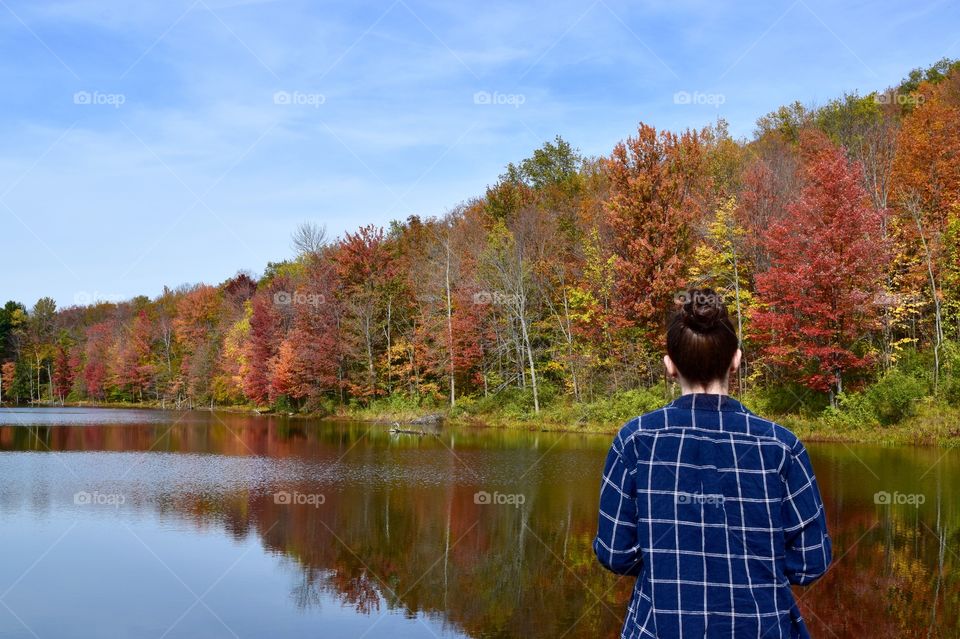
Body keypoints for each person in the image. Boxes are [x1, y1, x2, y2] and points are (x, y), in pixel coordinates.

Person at [593, 289, 831, 638]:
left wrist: (670, 559)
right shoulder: (781, 446)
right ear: (736, 360)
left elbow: (616, 554)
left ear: (669, 366)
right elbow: (812, 561)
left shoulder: (636, 440)